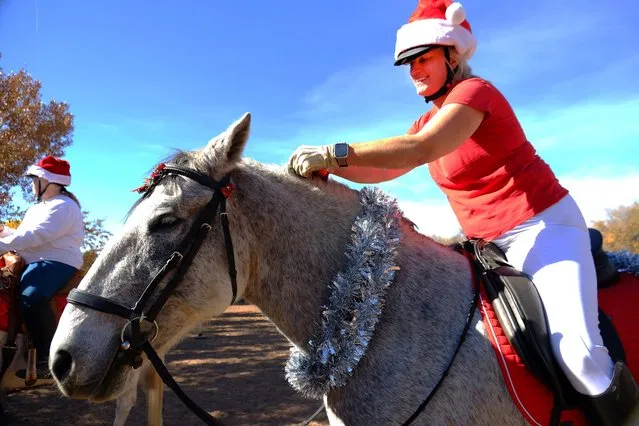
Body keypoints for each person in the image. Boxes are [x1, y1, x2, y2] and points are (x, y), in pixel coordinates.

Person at [287, 1, 638, 424]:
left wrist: (335, 151)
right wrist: (327, 171)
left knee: (578, 354)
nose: (414, 70)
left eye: (423, 59)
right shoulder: (423, 121)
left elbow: (422, 149)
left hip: (542, 227)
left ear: (453, 55)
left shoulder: (475, 94)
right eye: (408, 64)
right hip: (486, 246)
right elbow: (387, 165)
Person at [0, 156, 84, 378]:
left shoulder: (64, 206)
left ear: (49, 180)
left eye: (35, 179)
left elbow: (37, 236)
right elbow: (23, 235)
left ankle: (49, 359)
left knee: (32, 296)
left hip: (58, 261)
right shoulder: (37, 208)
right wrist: (5, 232)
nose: (31, 184)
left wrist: (1, 245)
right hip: (35, 259)